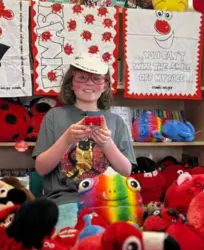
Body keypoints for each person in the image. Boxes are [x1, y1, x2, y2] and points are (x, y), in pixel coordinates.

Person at [32, 53, 136, 231]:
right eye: (82, 77)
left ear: (105, 86)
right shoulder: (54, 116)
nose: (89, 83)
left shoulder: (116, 121)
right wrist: (66, 139)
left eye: (97, 79)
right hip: (66, 199)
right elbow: (41, 168)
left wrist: (107, 144)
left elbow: (126, 171)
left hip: (108, 199)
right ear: (71, 83)